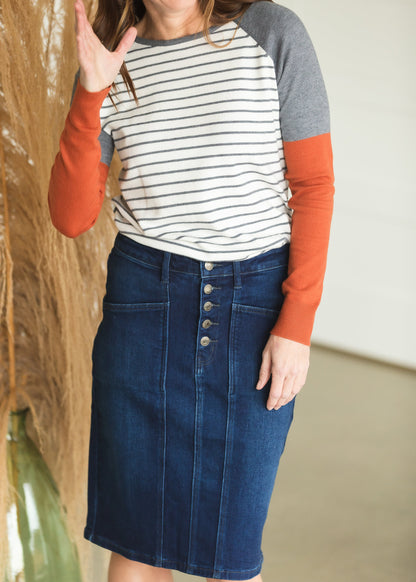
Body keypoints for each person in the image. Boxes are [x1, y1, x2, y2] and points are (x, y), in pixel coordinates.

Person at [48, 0, 334, 580]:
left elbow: (314, 184)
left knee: (230, 549)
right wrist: (90, 93)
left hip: (251, 305)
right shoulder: (109, 52)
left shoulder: (274, 33)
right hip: (143, 304)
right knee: (136, 542)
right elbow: (71, 216)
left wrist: (296, 322)